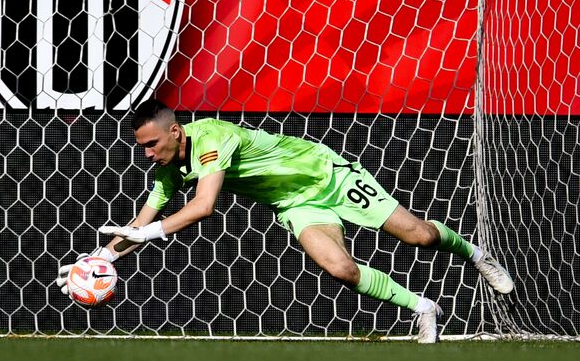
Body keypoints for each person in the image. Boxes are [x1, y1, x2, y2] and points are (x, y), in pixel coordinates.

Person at [56, 99, 514, 343]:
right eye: (143, 148)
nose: (149, 153)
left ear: (175, 131)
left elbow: (203, 207)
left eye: (152, 144)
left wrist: (144, 233)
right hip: (297, 206)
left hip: (326, 175)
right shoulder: (167, 170)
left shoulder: (212, 137)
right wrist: (100, 258)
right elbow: (141, 223)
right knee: (341, 269)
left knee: (420, 235)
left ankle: (475, 253)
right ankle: (423, 308)